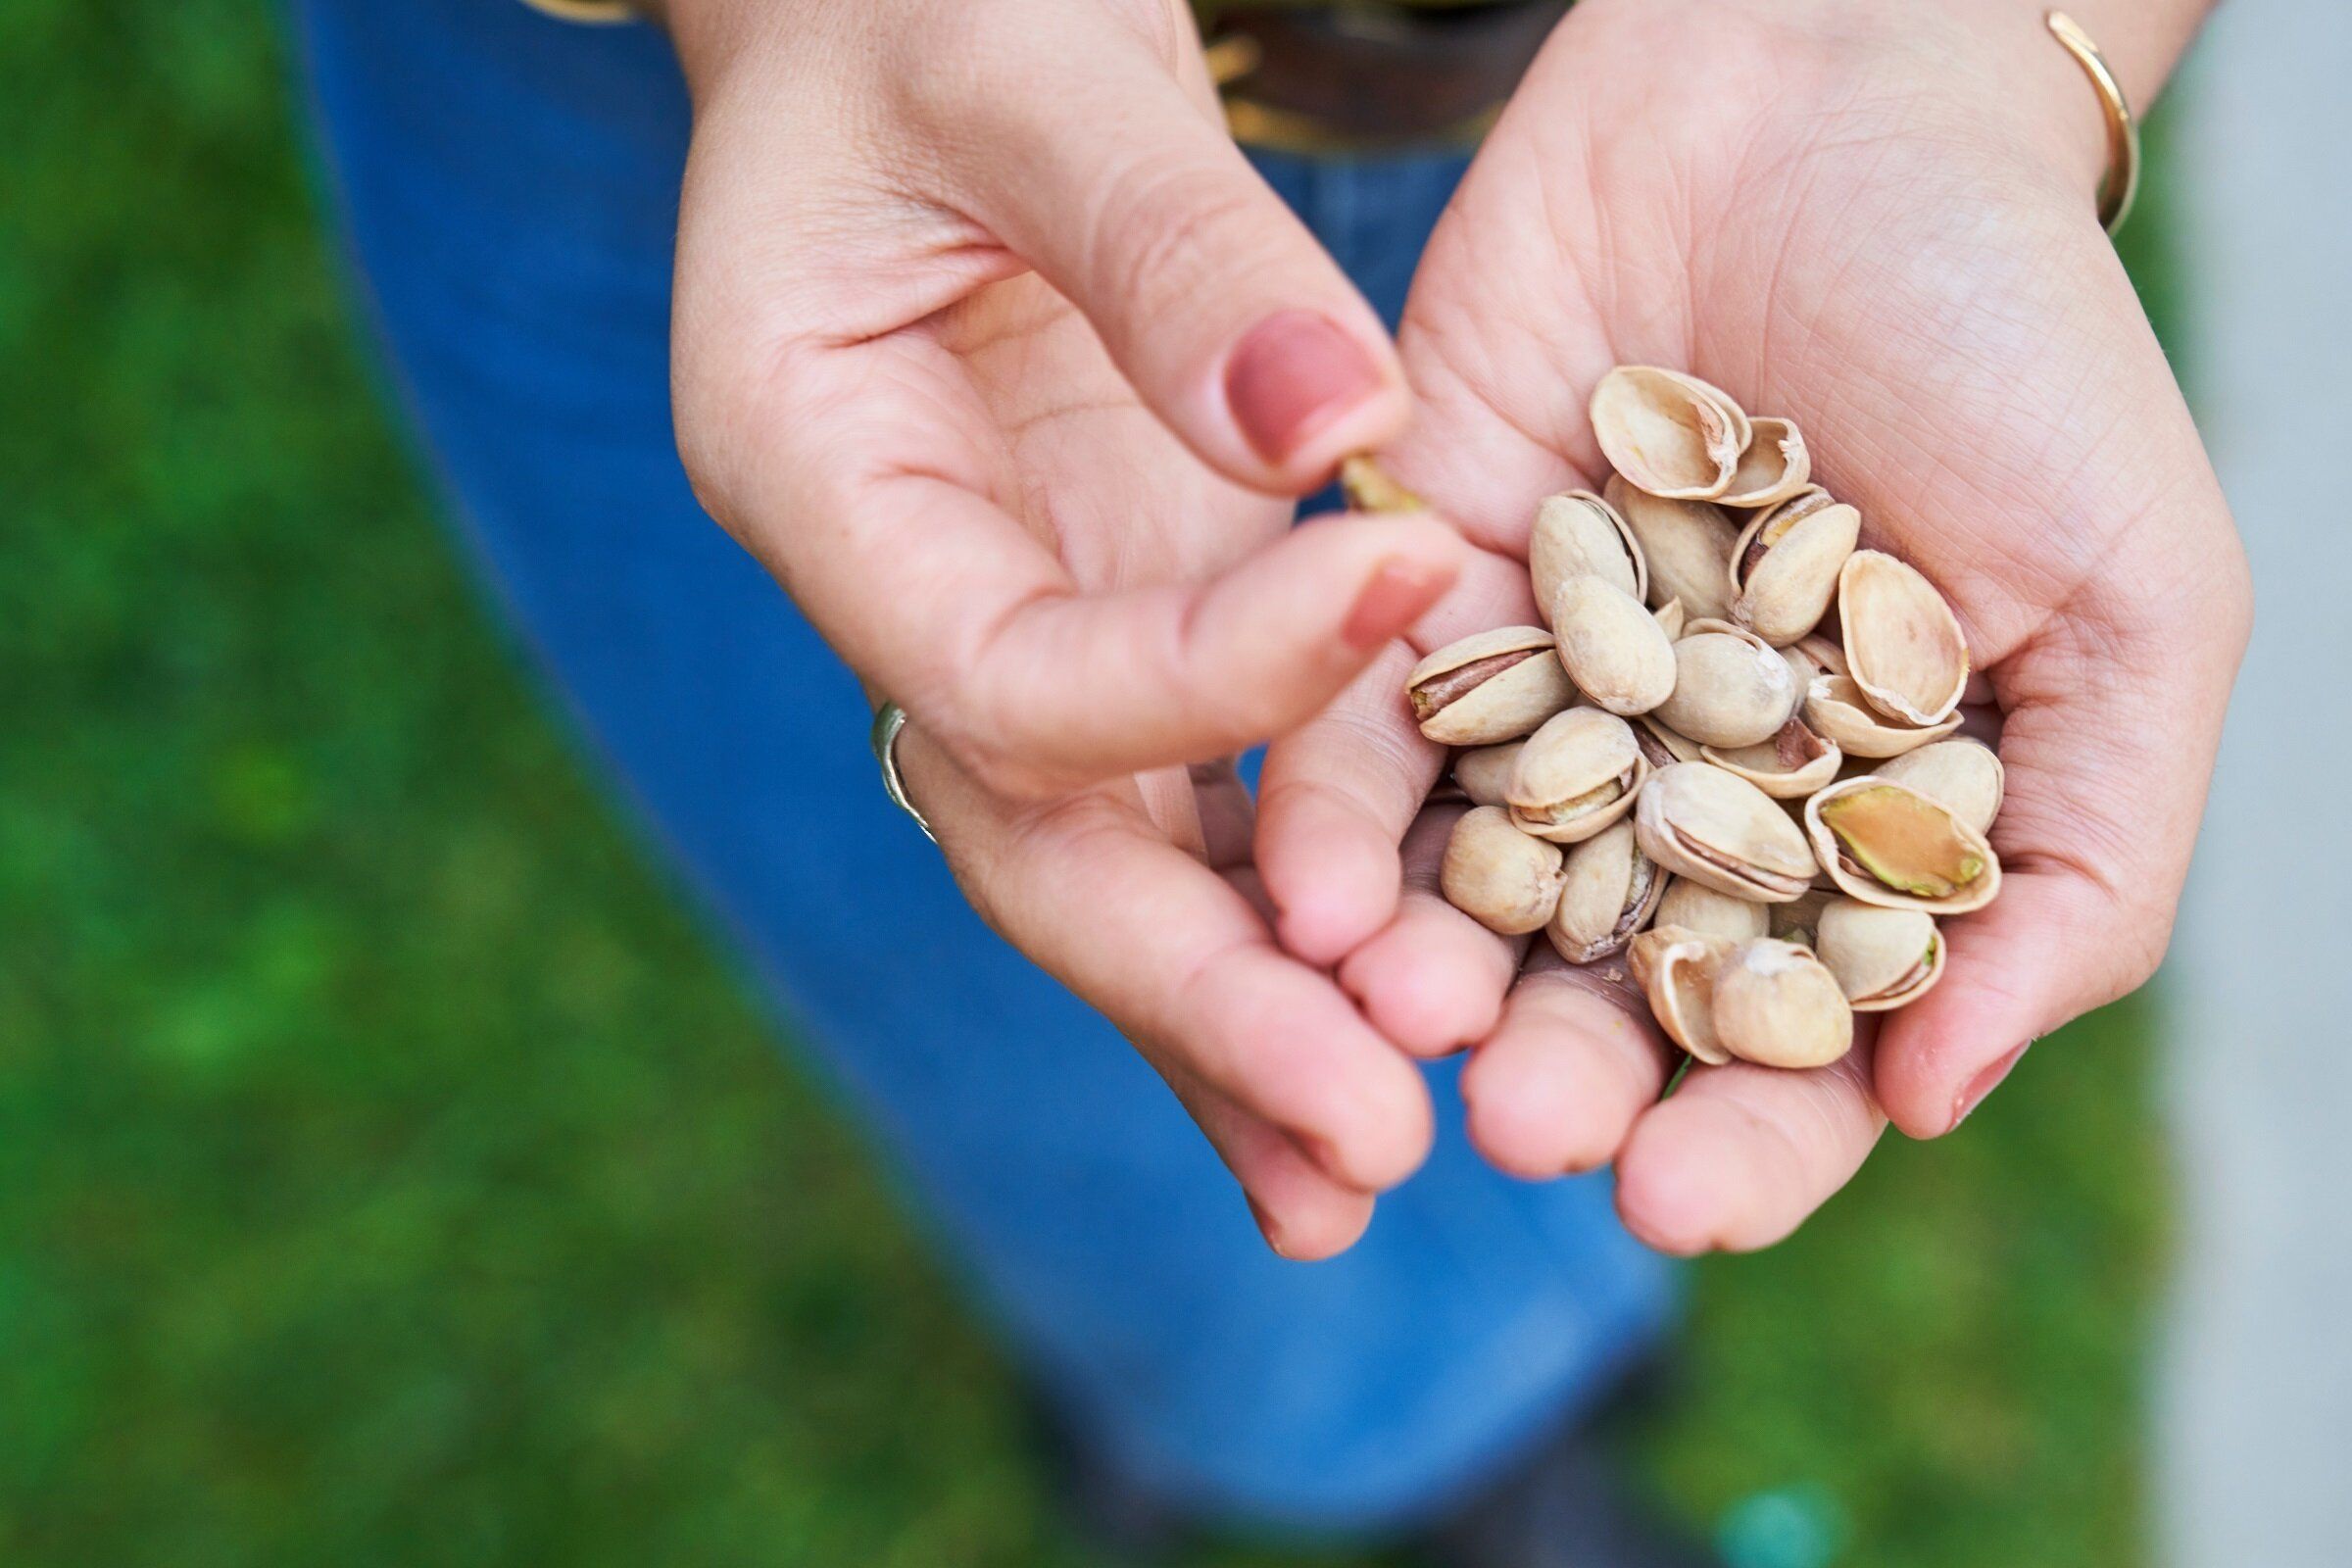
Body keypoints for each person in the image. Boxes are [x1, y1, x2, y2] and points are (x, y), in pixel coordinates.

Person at [293, 0, 2248, 1555]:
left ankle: (1471, 1413)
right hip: (696, 109)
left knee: (1371, 958)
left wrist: (1944, 40)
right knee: (1030, 898)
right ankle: (1337, 1414)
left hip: (1653, 107)